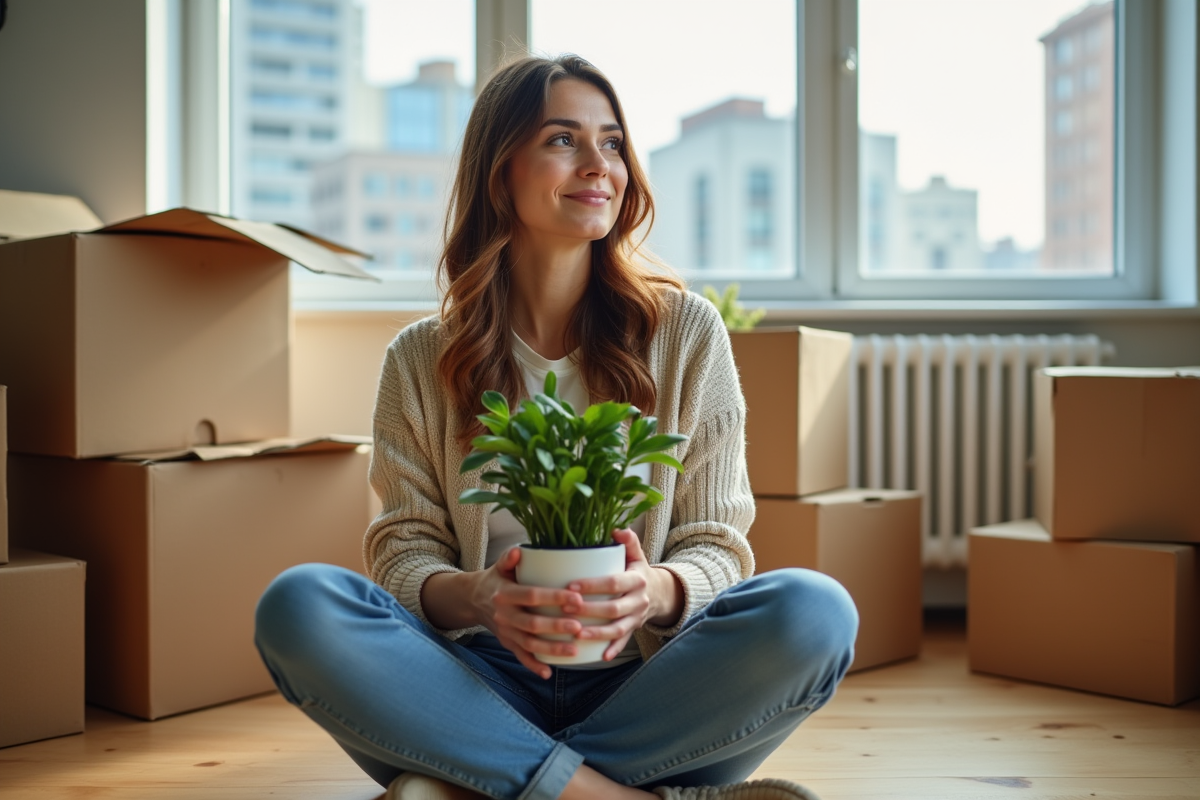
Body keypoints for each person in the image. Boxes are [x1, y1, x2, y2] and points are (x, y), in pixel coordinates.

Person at [254, 54, 858, 800]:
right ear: (499, 170)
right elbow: (404, 551)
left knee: (815, 611)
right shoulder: (419, 358)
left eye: (612, 143)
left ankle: (473, 781)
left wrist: (657, 590)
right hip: (478, 682)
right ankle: (603, 794)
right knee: (299, 605)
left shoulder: (687, 334)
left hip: (646, 689)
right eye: (563, 140)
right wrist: (479, 597)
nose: (598, 165)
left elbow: (720, 545)